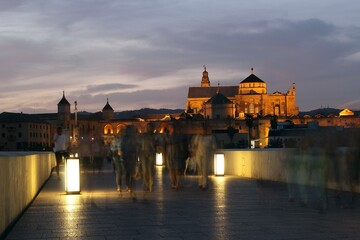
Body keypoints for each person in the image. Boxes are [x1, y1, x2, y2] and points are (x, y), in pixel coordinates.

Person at [191, 124, 217, 190]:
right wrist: (193, 153)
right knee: (200, 169)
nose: (203, 131)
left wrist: (212, 154)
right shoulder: (198, 137)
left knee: (205, 170)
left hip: (207, 155)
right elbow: (195, 145)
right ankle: (200, 182)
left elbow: (214, 147)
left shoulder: (211, 137)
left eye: (204, 130)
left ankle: (204, 184)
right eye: (201, 130)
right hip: (199, 155)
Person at [121, 125, 139, 193]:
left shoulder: (133, 138)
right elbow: (122, 147)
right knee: (127, 173)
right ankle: (129, 186)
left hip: (131, 157)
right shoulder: (125, 138)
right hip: (127, 157)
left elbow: (135, 148)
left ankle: (130, 186)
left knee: (131, 173)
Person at [139, 123, 156, 192]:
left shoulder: (154, 136)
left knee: (150, 169)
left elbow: (157, 144)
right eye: (148, 127)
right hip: (143, 154)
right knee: (145, 170)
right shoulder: (143, 136)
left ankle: (151, 185)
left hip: (151, 153)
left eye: (150, 127)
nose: (149, 129)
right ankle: (146, 184)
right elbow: (139, 145)